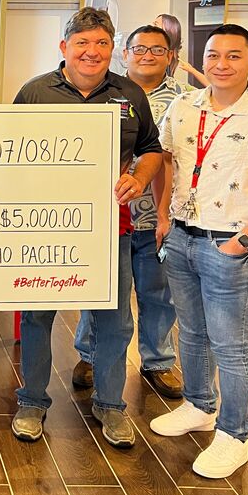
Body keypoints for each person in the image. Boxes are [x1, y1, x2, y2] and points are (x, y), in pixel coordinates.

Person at [151, 24, 248, 478]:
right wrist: (164, 217)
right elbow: (166, 163)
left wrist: (243, 242)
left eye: (234, 56)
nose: (222, 64)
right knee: (192, 333)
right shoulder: (183, 108)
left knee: (232, 346)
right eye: (214, 55)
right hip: (181, 237)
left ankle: (234, 435)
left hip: (232, 245)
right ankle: (199, 406)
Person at [11, 8, 162, 448]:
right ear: (64, 48)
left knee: (114, 320)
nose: (91, 52)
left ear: (111, 49)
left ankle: (111, 405)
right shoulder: (35, 92)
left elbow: (151, 148)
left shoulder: (130, 93)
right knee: (37, 315)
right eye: (82, 43)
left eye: (100, 44)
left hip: (107, 227)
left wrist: (139, 176)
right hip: (44, 226)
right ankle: (33, 401)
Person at [72, 25, 187, 400]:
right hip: (107, 213)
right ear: (125, 53)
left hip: (155, 210)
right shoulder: (106, 91)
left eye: (157, 49)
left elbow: (171, 160)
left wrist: (166, 210)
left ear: (170, 56)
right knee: (99, 289)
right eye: (139, 48)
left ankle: (158, 361)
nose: (147, 55)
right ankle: (90, 356)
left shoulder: (187, 101)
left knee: (156, 291)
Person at [154, 13, 208, 87]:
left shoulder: (180, 66)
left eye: (155, 24)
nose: (151, 26)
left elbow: (211, 86)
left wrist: (192, 70)